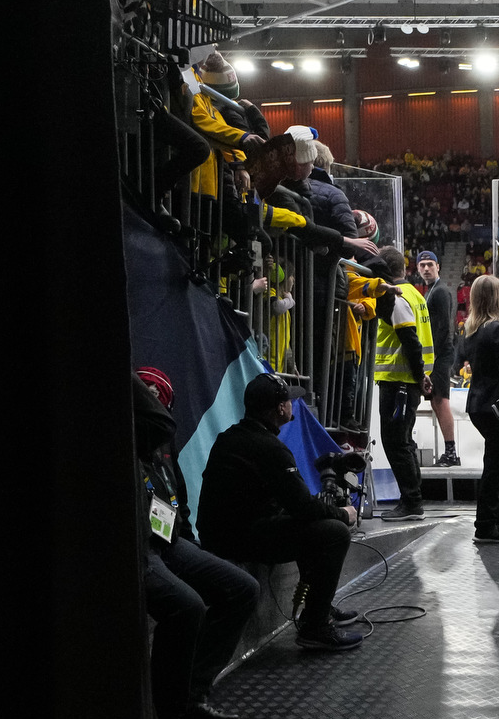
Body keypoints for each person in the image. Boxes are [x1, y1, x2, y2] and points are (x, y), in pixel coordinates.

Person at [134, 369, 259, 719]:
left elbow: (176, 503)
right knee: (187, 607)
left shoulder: (164, 446)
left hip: (171, 540)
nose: (153, 398)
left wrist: (190, 542)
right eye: (146, 393)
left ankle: (192, 696)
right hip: (142, 547)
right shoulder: (136, 436)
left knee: (242, 587)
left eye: (159, 394)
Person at [196, 373, 365, 653]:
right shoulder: (270, 448)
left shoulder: (231, 437)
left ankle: (317, 606)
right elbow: (304, 507)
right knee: (333, 533)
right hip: (238, 539)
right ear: (280, 409)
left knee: (306, 524)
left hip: (221, 533)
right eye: (289, 400)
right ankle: (315, 627)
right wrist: (344, 514)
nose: (292, 405)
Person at [361, 247, 436, 521]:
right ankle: (412, 500)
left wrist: (418, 376)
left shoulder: (396, 297)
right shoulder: (416, 295)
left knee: (396, 443)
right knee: (403, 442)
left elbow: (410, 341)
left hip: (399, 383)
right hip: (406, 381)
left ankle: (412, 503)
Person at [461, 274, 499, 545]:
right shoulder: (498, 330)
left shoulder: (472, 329)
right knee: (498, 466)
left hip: (479, 404)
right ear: (497, 298)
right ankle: (486, 524)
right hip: (496, 406)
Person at [415, 250, 461, 467]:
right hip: (437, 356)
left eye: (430, 264)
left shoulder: (440, 291)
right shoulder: (432, 291)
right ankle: (450, 452)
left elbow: (443, 329)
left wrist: (430, 362)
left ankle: (451, 453)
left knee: (441, 402)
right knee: (436, 402)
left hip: (440, 356)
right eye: (422, 265)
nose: (426, 268)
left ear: (438, 267)